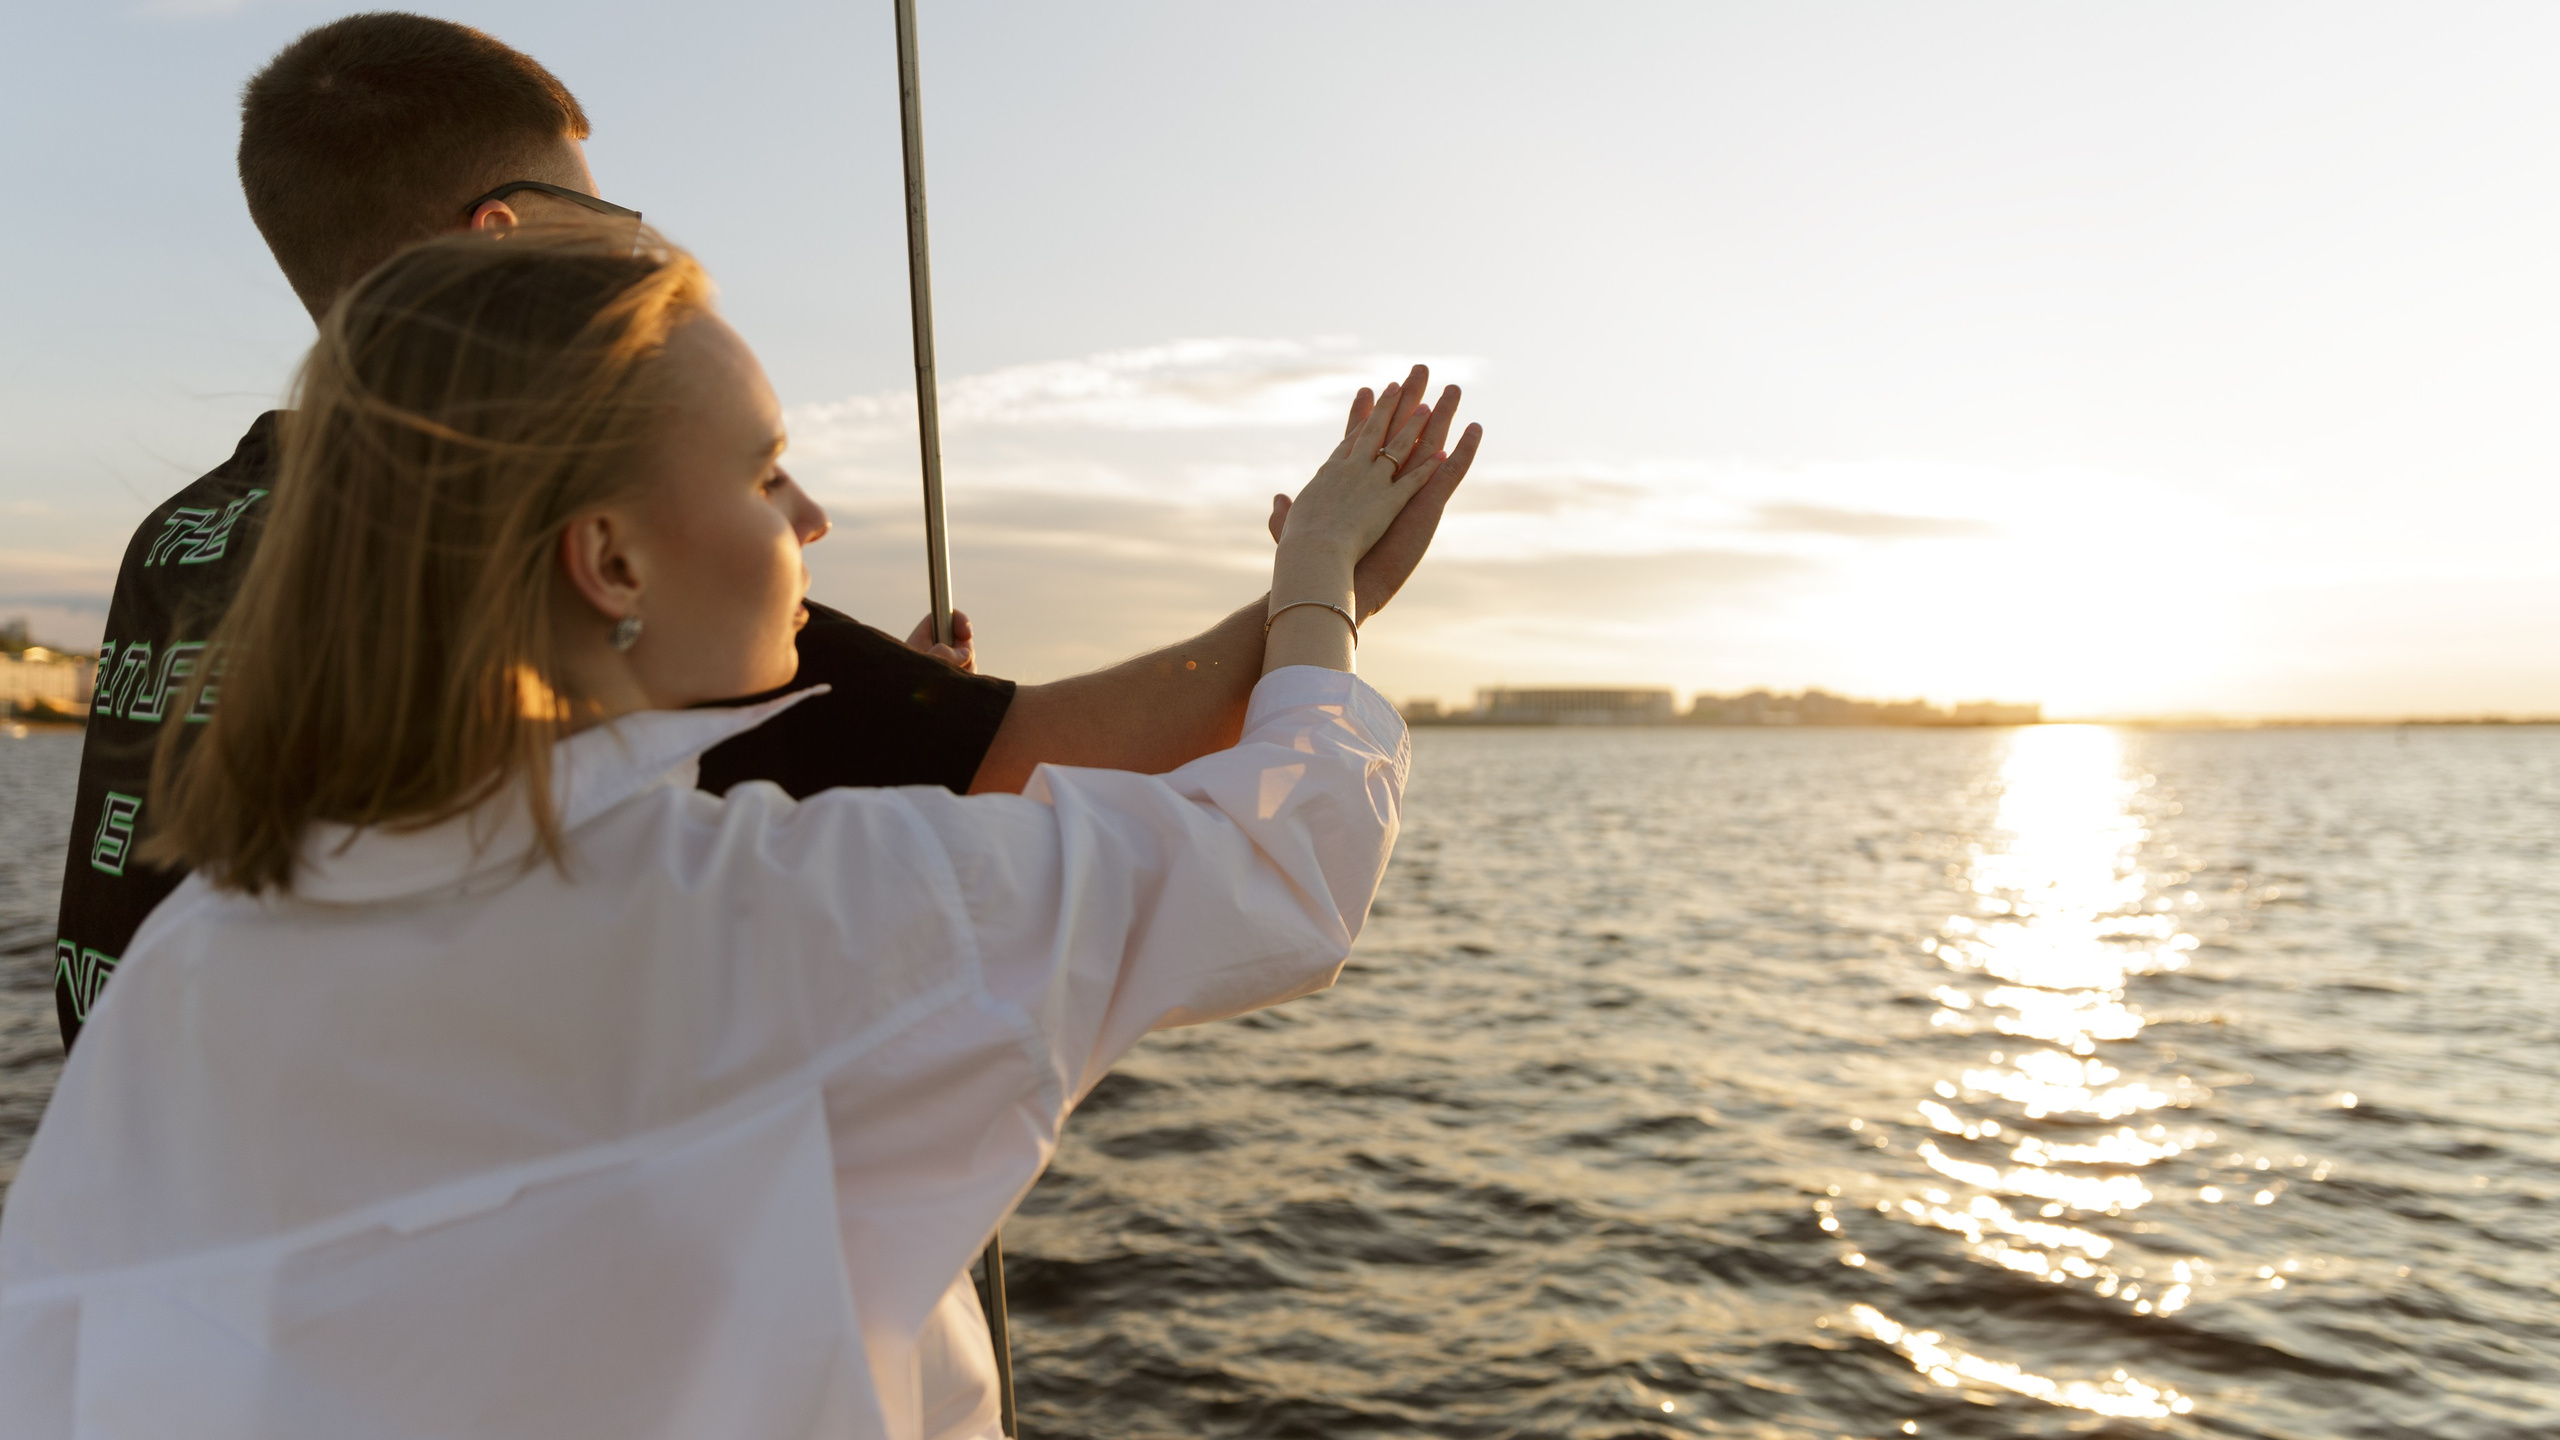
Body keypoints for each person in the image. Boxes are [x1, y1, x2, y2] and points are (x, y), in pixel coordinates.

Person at [0, 224, 1450, 1439]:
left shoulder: (198, 958)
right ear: (609, 557)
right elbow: (1283, 857)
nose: (810, 516)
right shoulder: (778, 919)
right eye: (767, 474)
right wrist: (1319, 581)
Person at [51, 11, 1479, 1045]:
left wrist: (853, 729)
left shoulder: (185, 538)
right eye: (594, 216)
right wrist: (1320, 589)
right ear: (498, 237)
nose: (631, 251)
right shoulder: (566, 531)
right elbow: (1226, 858)